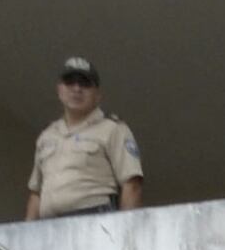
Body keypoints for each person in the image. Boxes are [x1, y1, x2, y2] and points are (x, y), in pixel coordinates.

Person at [25, 57, 145, 219]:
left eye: (85, 83)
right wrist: (27, 233)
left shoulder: (113, 129)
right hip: (49, 226)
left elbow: (131, 185)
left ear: (98, 95)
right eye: (70, 82)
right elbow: (36, 193)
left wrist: (125, 233)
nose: (77, 89)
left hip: (94, 220)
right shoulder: (47, 136)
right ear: (59, 90)